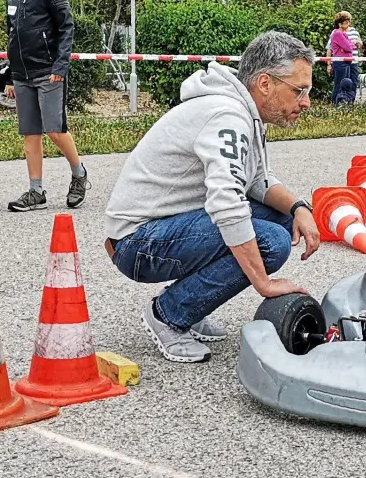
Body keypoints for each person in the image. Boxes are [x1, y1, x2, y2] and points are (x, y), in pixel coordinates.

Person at [104, 30, 323, 363]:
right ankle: (169, 314)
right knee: (272, 242)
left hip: (162, 229)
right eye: (299, 91)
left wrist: (299, 207)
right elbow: (227, 204)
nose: (305, 102)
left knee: (280, 218)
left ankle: (192, 302)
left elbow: (254, 182)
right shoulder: (228, 117)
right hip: (137, 243)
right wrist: (264, 284)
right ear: (265, 83)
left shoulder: (241, 112)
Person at [1, 0, 88, 211]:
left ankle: (79, 174)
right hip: (21, 75)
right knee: (31, 133)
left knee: (54, 129)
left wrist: (59, 67)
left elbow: (67, 27)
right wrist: (8, 76)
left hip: (49, 72)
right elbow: (12, 36)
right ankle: (36, 191)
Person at [327, 12, 360, 106]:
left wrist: (350, 44)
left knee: (351, 84)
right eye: (344, 22)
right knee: (340, 84)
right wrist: (352, 44)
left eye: (347, 21)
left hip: (350, 62)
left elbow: (349, 46)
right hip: (341, 62)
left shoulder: (349, 33)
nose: (346, 23)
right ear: (339, 23)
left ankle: (348, 103)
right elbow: (349, 47)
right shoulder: (337, 33)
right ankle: (335, 104)